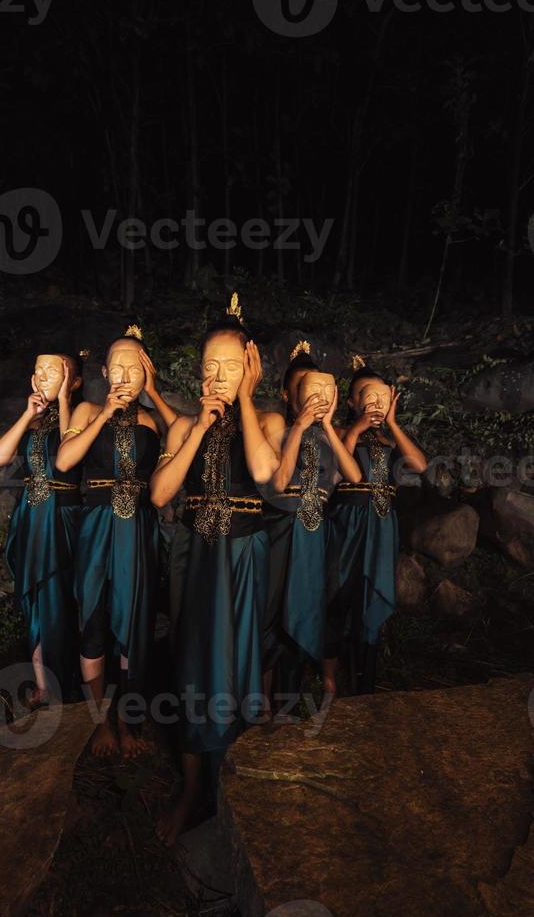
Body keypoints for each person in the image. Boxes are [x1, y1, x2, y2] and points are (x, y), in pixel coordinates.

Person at [150, 293, 283, 846]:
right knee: (192, 666)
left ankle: (239, 788)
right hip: (196, 558)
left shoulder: (271, 418)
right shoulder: (182, 424)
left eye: (232, 366)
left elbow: (262, 471)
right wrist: (201, 427)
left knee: (245, 660)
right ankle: (190, 791)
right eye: (211, 366)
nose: (220, 376)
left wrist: (246, 401)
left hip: (247, 556)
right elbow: (160, 493)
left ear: (251, 366)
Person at [56, 326, 176, 758]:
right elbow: (66, 461)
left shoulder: (152, 421)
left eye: (135, 368)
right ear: (105, 372)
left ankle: (127, 721)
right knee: (92, 620)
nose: (125, 375)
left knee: (133, 621)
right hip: (96, 524)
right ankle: (98, 720)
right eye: (118, 366)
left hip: (139, 527)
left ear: (146, 373)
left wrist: (156, 393)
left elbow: (182, 436)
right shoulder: (88, 409)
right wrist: (106, 413)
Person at [262, 341, 362, 706]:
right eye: (305, 388)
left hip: (314, 530)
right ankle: (259, 702)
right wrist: (302, 424)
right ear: (289, 394)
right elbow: (276, 479)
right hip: (280, 526)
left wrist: (329, 424)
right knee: (271, 611)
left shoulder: (326, 435)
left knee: (303, 608)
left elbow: (351, 475)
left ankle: (288, 704)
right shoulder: (276, 427)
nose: (313, 397)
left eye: (321, 390)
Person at [327, 356, 428, 694]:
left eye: (380, 398)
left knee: (373, 593)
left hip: (382, 523)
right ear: (352, 402)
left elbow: (419, 465)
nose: (373, 403)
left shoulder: (391, 440)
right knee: (341, 591)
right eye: (364, 396)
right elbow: (336, 474)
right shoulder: (341, 432)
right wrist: (355, 430)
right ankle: (330, 674)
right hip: (349, 521)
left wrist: (394, 423)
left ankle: (365, 679)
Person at [0, 350, 85, 705]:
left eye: (53, 371)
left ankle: (66, 685)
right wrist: (29, 412)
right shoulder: (33, 419)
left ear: (73, 381)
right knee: (35, 598)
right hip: (31, 514)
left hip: (62, 514)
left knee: (59, 595)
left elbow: (67, 459)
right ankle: (44, 684)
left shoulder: (81, 415)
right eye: (37, 370)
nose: (42, 376)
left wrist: (63, 402)